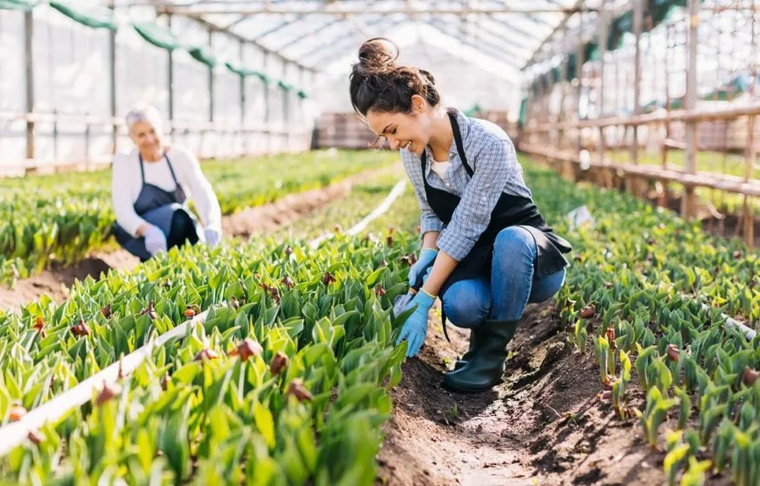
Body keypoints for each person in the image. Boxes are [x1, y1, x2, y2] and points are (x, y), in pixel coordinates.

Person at [349, 38, 573, 394]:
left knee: (511, 240)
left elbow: (467, 226)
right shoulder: (414, 155)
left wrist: (423, 299)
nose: (392, 144)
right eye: (383, 138)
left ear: (418, 105)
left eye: (391, 131)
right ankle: (475, 348)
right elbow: (431, 213)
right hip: (478, 258)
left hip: (530, 263)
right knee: (461, 305)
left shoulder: (488, 142)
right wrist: (427, 251)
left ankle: (489, 357)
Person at [111, 104, 222, 262]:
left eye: (152, 131)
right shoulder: (125, 161)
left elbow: (202, 191)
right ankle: (151, 264)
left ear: (161, 129)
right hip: (139, 235)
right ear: (132, 137)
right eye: (141, 135)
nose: (149, 139)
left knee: (180, 218)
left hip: (178, 228)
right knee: (177, 215)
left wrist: (212, 223)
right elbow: (122, 211)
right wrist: (148, 231)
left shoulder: (180, 156)